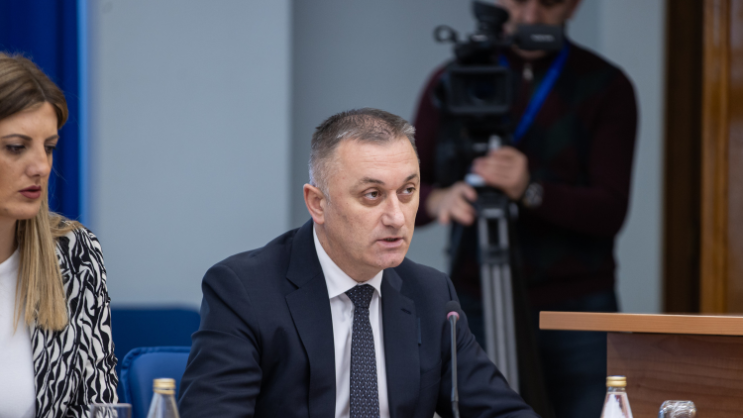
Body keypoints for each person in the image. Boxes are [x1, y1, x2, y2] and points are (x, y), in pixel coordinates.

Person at [179, 108, 540, 418]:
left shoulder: (431, 295)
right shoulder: (244, 291)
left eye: (408, 191)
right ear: (318, 203)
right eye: (372, 195)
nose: (397, 217)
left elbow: (501, 411)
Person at [413, 0, 638, 417]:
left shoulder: (605, 85)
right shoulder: (452, 81)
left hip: (578, 305)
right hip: (476, 297)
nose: (530, 16)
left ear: (573, 6)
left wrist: (529, 189)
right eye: (518, 1)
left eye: (548, 2)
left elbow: (611, 210)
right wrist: (437, 198)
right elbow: (406, 185)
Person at [0, 53, 117, 418]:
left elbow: (100, 407)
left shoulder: (75, 253)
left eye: (48, 147)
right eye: (16, 147)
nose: (41, 166)